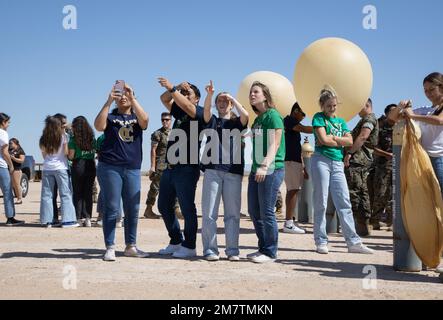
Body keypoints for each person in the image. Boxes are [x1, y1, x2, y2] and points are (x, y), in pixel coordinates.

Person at [311, 88, 374, 255]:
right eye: (329, 106)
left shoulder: (341, 121)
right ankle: (321, 240)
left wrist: (334, 139)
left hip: (337, 162)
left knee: (344, 202)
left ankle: (353, 242)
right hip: (321, 161)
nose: (332, 108)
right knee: (321, 201)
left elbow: (350, 141)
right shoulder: (318, 118)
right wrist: (338, 140)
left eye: (334, 105)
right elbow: (322, 140)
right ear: (322, 106)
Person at [94, 82, 149, 262]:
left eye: (127, 92)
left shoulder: (136, 116)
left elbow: (145, 121)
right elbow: (99, 126)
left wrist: (132, 98)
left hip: (132, 167)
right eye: (120, 93)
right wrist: (108, 101)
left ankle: (130, 246)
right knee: (112, 207)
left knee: (132, 208)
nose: (123, 96)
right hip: (110, 166)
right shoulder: (110, 116)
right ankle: (110, 247)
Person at [396, 72, 443, 274]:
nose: (428, 94)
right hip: (422, 162)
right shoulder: (426, 109)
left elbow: (439, 121)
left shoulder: (431, 112)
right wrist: (402, 107)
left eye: (432, 89)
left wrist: (412, 115)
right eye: (425, 91)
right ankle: (432, 255)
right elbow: (393, 118)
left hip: (440, 161)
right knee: (427, 210)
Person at [157, 78, 206, 259]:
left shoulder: (198, 112)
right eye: (183, 93)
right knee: (163, 205)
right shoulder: (179, 112)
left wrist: (173, 89)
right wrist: (175, 87)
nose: (184, 96)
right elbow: (164, 99)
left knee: (187, 208)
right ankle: (176, 240)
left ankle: (190, 245)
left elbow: (187, 106)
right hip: (171, 168)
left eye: (188, 94)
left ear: (197, 99)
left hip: (187, 168)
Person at [201, 81, 249, 261]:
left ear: (230, 104)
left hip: (233, 172)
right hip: (212, 170)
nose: (222, 103)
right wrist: (210, 95)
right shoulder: (212, 120)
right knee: (209, 213)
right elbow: (206, 112)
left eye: (225, 101)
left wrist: (233, 98)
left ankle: (232, 251)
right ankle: (210, 250)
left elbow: (245, 115)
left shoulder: (237, 122)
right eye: (219, 100)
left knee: (232, 214)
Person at [247, 81, 286, 264]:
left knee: (267, 212)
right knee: (254, 211)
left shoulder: (273, 116)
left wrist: (264, 165)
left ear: (265, 96)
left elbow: (275, 143)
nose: (252, 94)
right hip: (256, 170)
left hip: (271, 169)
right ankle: (262, 248)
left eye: (256, 92)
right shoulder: (258, 120)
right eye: (251, 92)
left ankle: (271, 252)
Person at [344, 99, 379, 237]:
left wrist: (350, 153)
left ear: (367, 105)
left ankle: (360, 225)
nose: (357, 110)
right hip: (361, 160)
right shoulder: (368, 118)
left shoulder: (369, 118)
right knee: (362, 191)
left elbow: (363, 136)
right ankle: (362, 225)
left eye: (359, 107)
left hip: (358, 160)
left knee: (355, 192)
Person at [39, 116, 78, 228]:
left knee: (47, 195)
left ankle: (48, 221)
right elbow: (66, 152)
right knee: (65, 194)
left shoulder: (43, 138)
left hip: (47, 168)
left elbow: (44, 155)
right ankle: (68, 221)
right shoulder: (63, 136)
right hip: (61, 167)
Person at [144, 112, 182, 220]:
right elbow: (153, 150)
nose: (165, 121)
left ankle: (176, 209)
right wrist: (152, 166)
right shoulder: (158, 134)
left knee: (175, 187)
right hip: (160, 164)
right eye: (163, 120)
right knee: (155, 187)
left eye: (167, 120)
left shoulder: (176, 133)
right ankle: (148, 210)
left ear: (171, 121)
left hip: (174, 164)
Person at [282, 102, 313, 234]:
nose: (303, 117)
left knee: (293, 190)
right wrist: (322, 126)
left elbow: (297, 147)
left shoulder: (293, 125)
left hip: (295, 161)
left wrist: (303, 166)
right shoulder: (288, 121)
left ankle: (289, 221)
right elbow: (305, 129)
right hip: (290, 161)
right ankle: (289, 223)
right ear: (295, 111)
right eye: (303, 114)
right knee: (293, 190)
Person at [368, 104, 397, 231]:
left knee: (395, 194)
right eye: (393, 111)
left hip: (398, 166)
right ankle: (375, 220)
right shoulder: (379, 127)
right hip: (382, 166)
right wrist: (387, 155)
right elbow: (373, 148)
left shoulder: (401, 126)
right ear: (386, 114)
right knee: (381, 193)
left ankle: (392, 222)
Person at [68, 116, 97, 227]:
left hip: (78, 165)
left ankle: (79, 217)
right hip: (90, 164)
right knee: (88, 192)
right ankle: (88, 217)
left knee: (78, 192)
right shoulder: (92, 138)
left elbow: (71, 156)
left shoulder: (73, 139)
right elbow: (94, 152)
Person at [0, 113, 24, 226]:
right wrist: (11, 165)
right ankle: (10, 218)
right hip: (1, 166)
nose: (8, 124)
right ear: (3, 122)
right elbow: (5, 152)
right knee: (7, 191)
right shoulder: (3, 133)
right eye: (8, 122)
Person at [9, 138, 26, 205]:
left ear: (15, 143)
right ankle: (11, 198)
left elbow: (22, 160)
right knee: (11, 185)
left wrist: (14, 158)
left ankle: (19, 199)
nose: (9, 144)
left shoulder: (20, 150)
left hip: (16, 169)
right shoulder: (9, 150)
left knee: (16, 184)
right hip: (10, 169)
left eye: (11, 143)